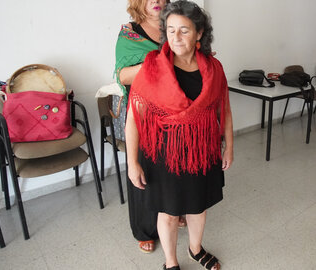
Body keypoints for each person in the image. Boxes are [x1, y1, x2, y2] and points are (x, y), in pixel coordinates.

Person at [126, 1, 233, 269]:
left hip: (202, 149)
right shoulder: (151, 68)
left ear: (199, 33)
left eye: (184, 30)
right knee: (169, 213)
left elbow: (224, 110)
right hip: (163, 154)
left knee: (198, 208)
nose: (176, 37)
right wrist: (132, 162)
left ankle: (195, 249)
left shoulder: (214, 68)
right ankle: (170, 261)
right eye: (171, 30)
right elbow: (133, 119)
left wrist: (229, 146)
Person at [115, 0, 187, 254]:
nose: (156, 1)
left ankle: (174, 211)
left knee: (176, 167)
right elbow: (123, 75)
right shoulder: (129, 33)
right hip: (144, 115)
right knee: (146, 172)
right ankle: (145, 229)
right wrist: (161, 61)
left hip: (177, 112)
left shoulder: (176, 25)